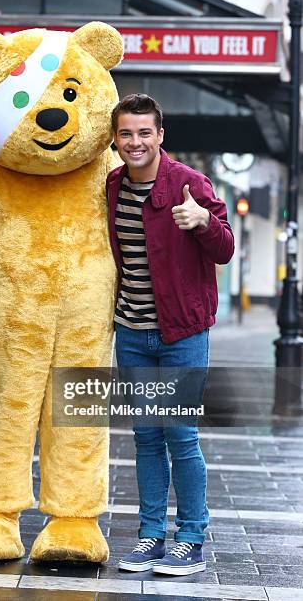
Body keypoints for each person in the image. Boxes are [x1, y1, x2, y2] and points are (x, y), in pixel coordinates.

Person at [107, 94, 234, 575]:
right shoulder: (112, 185)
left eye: (144, 132)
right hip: (132, 332)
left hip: (182, 332)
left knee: (180, 436)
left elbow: (224, 249)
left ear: (161, 135)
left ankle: (191, 539)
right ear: (115, 139)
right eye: (126, 133)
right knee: (145, 438)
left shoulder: (189, 183)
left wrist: (202, 221)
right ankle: (150, 536)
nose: (135, 141)